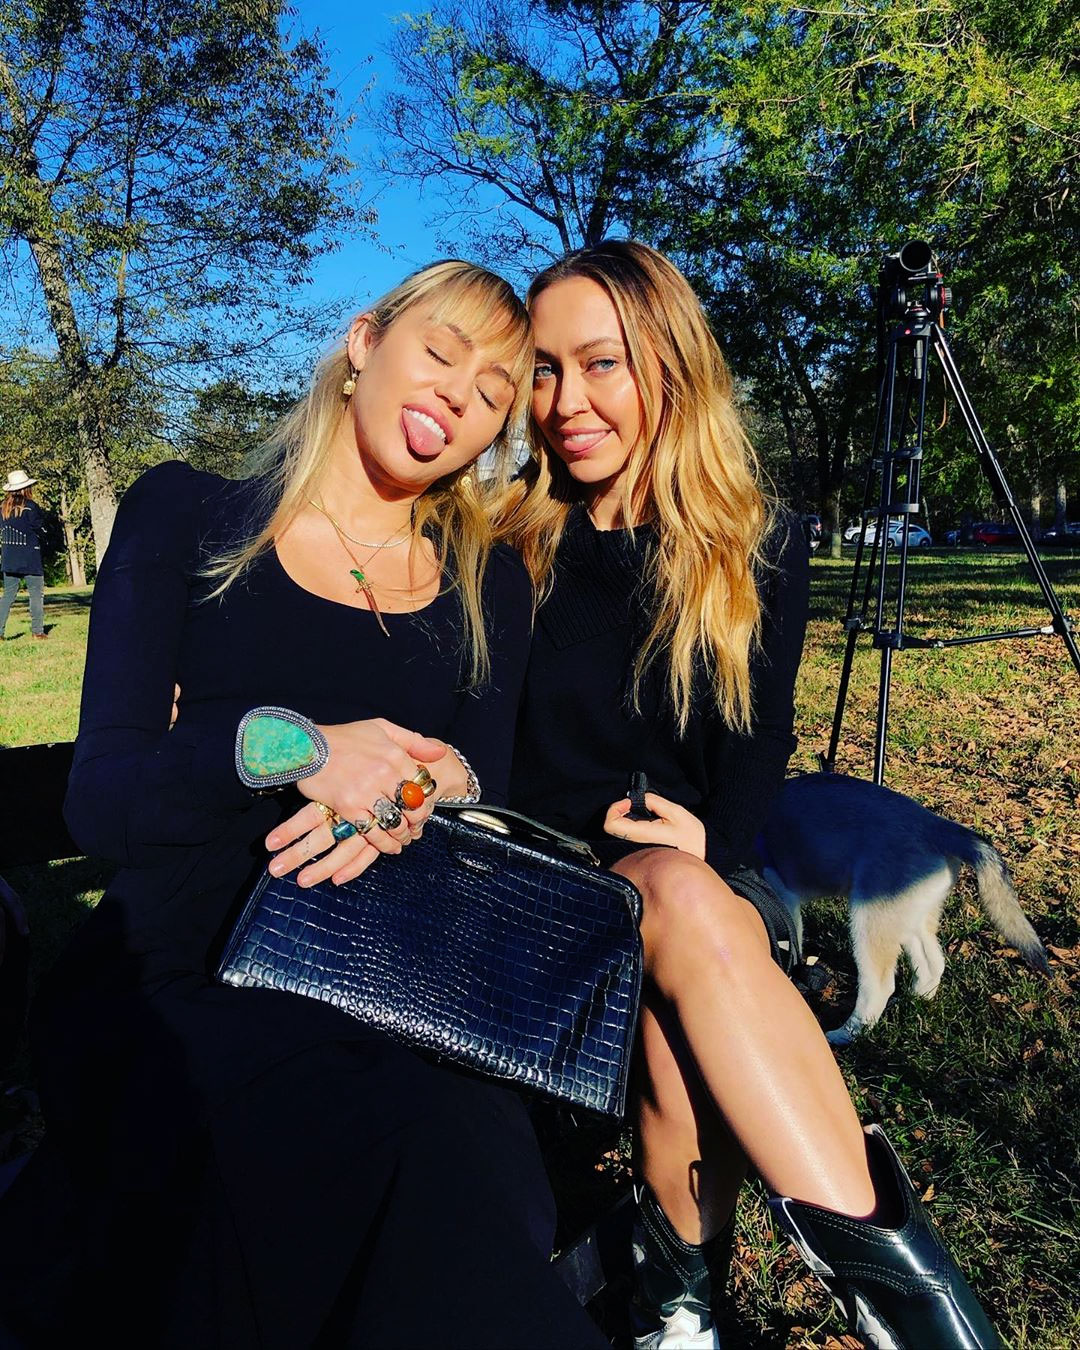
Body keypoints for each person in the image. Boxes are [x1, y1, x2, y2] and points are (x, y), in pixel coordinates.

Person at [0, 261, 608, 1350]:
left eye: (492, 394)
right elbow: (103, 800)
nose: (457, 396)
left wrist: (417, 785)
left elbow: (479, 784)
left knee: (470, 1166)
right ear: (364, 342)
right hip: (188, 956)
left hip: (396, 966)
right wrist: (302, 749)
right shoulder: (189, 513)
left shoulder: (487, 582)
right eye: (441, 353)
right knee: (366, 1150)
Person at [499, 241, 1001, 1350]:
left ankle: (681, 1310)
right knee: (675, 913)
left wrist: (708, 842)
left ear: (671, 367)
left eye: (602, 364)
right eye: (542, 369)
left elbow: (755, 747)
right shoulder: (506, 546)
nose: (566, 402)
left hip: (705, 883)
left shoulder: (754, 546)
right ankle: (914, 1323)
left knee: (684, 926)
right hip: (540, 876)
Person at [0, 469, 47, 640]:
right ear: (26, 488)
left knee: (7, 596)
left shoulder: (2, 508)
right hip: (30, 557)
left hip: (9, 558)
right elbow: (40, 528)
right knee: (36, 594)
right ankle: (37, 631)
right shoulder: (30, 506)